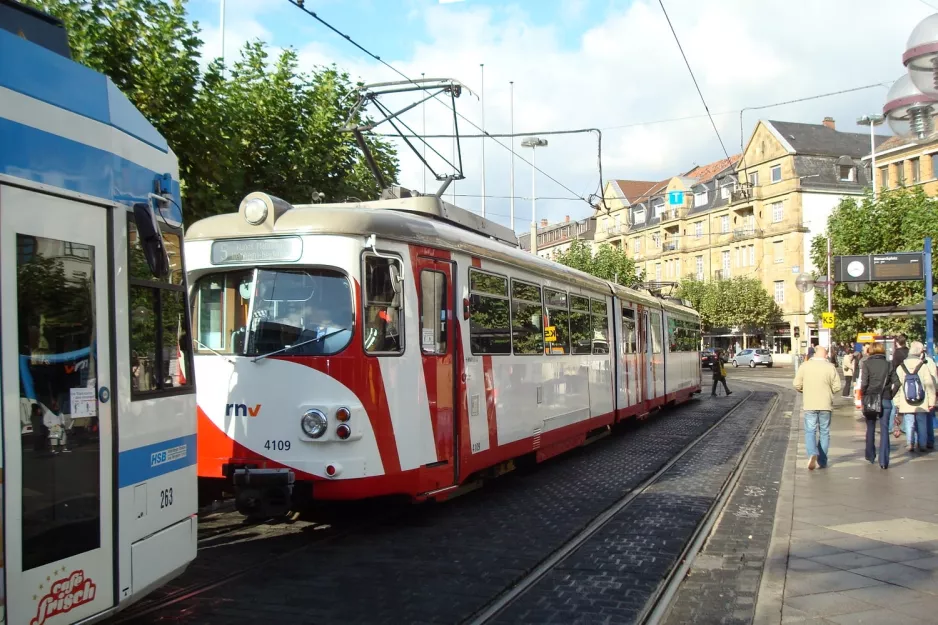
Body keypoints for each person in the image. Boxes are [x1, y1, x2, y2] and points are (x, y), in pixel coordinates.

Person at [793, 345, 840, 470]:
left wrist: (805, 390)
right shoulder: (830, 367)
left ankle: (812, 453)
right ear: (825, 355)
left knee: (810, 431)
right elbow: (837, 387)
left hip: (810, 404)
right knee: (824, 432)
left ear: (814, 354)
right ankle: (822, 461)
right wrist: (828, 392)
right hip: (826, 404)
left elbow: (796, 384)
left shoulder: (805, 366)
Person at [892, 341, 936, 454]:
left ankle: (910, 443)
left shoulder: (901, 367)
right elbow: (929, 384)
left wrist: (897, 402)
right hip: (921, 400)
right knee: (922, 422)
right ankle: (922, 444)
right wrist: (932, 401)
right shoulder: (923, 366)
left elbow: (897, 386)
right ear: (920, 352)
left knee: (909, 421)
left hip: (906, 400)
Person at [860, 342, 894, 469]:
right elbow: (897, 382)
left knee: (870, 427)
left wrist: (863, 395)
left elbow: (864, 383)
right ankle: (884, 461)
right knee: (884, 429)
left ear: (870, 351)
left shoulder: (867, 364)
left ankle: (870, 454)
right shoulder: (889, 364)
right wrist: (890, 394)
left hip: (871, 398)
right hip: (885, 398)